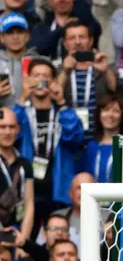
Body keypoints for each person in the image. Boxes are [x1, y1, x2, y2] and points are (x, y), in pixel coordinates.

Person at [22, 57, 84, 221]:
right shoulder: (22, 112)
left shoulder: (63, 113)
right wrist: (22, 99)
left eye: (46, 76)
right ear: (27, 79)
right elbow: (9, 133)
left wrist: (62, 102)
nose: (41, 80)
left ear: (54, 81)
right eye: (36, 75)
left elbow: (76, 137)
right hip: (25, 191)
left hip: (57, 190)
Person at [57, 21, 115, 131]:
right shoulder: (58, 70)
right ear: (65, 43)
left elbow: (114, 88)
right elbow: (54, 94)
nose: (77, 42)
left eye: (82, 37)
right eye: (72, 38)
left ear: (91, 41)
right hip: (68, 133)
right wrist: (65, 71)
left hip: (99, 134)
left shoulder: (102, 65)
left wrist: (105, 70)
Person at [79, 93, 123, 183]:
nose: (110, 115)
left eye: (116, 111)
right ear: (99, 115)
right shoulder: (91, 146)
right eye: (106, 110)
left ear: (122, 117)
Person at [0, 106, 32, 240]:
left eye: (12, 127)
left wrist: (23, 240)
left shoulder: (25, 163)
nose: (7, 132)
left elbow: (29, 204)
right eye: (2, 127)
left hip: (19, 233)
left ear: (18, 130)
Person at [0, 12, 33, 108]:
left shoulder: (38, 61)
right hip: (3, 119)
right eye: (10, 32)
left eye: (20, 31)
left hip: (32, 118)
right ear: (1, 37)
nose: (15, 37)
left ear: (27, 36)